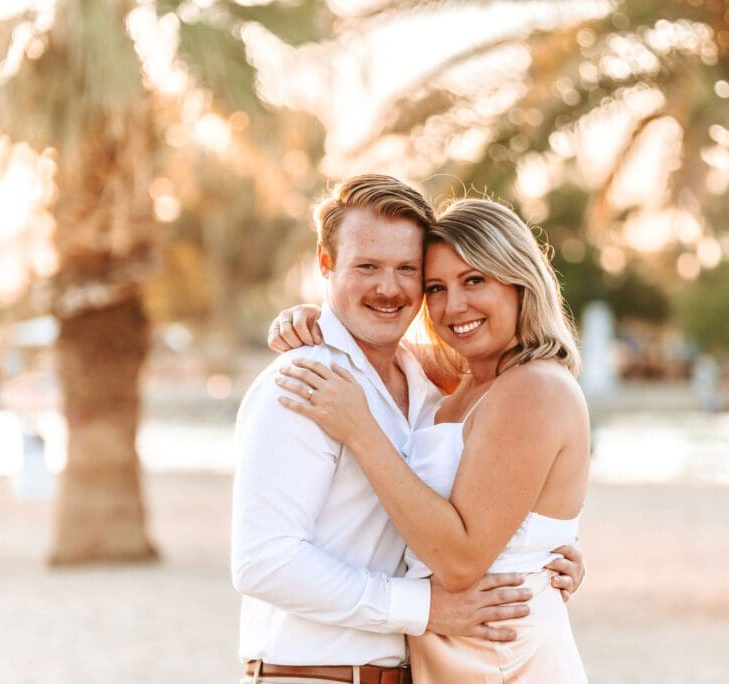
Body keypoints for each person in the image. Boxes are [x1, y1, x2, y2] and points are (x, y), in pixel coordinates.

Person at [232, 175, 583, 684]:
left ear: (519, 280)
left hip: (463, 662)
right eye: (367, 267)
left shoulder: (427, 385)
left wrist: (548, 547)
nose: (389, 288)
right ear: (326, 265)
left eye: (408, 271)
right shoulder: (306, 384)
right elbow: (262, 563)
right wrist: (424, 607)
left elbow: (503, 495)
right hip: (314, 674)